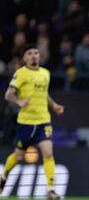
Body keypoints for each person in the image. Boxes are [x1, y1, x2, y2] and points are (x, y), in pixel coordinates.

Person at [0, 44, 64, 200]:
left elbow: (44, 93)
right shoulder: (20, 73)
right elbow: (8, 94)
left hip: (43, 121)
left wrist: (54, 105)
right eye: (30, 53)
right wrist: (19, 101)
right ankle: (4, 176)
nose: (34, 55)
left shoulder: (45, 73)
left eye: (36, 53)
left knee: (48, 153)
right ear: (25, 57)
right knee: (18, 156)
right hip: (26, 123)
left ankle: (51, 190)